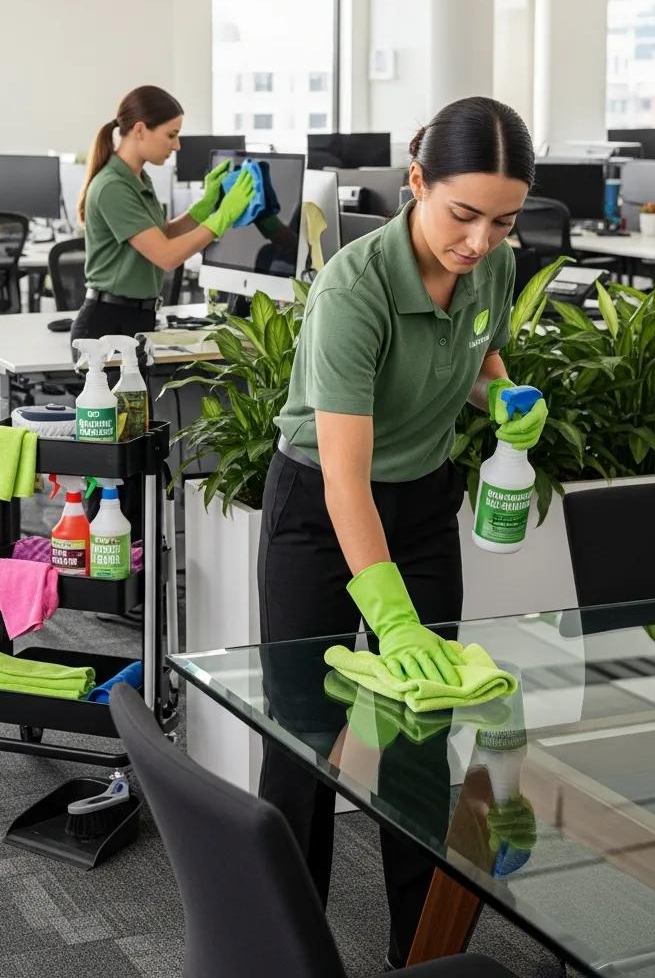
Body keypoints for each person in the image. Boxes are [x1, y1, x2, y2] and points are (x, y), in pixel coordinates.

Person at [257, 96, 549, 968]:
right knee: (304, 734)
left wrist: (500, 394)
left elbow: (478, 354)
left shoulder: (490, 265)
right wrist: (389, 616)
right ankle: (285, 951)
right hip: (320, 507)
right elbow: (345, 478)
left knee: (423, 737)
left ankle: (422, 956)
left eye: (503, 221)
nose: (481, 241)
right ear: (417, 181)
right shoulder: (355, 289)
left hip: (422, 504)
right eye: (464, 214)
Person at [73, 84, 255, 342]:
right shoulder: (113, 186)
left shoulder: (138, 178)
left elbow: (163, 235)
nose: (177, 145)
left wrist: (205, 206)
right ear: (139, 130)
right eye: (171, 135)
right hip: (107, 324)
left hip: (134, 318)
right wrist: (222, 216)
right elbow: (166, 256)